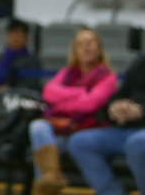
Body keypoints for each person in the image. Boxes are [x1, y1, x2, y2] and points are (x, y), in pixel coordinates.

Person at [67, 17, 145, 195]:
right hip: (132, 130)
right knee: (80, 142)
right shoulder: (140, 63)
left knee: (139, 144)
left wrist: (142, 111)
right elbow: (122, 93)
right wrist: (113, 109)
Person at [29, 28, 117, 195]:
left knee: (42, 148)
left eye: (90, 43)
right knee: (38, 127)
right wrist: (80, 93)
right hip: (63, 128)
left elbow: (91, 105)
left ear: (99, 49)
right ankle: (50, 179)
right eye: (81, 44)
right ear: (75, 50)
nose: (86, 47)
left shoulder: (108, 77)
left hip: (89, 131)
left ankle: (44, 187)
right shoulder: (67, 73)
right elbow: (48, 93)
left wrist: (62, 102)